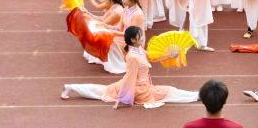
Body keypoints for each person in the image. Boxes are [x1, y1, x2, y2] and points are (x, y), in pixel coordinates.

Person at [62, 26, 199, 108]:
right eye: (141, 37)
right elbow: (129, 77)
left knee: (101, 91)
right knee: (169, 91)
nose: (143, 38)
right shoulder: (132, 56)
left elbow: (152, 57)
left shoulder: (138, 50)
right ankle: (197, 96)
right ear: (133, 40)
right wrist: (121, 99)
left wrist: (170, 55)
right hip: (139, 90)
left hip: (143, 87)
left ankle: (71, 87)